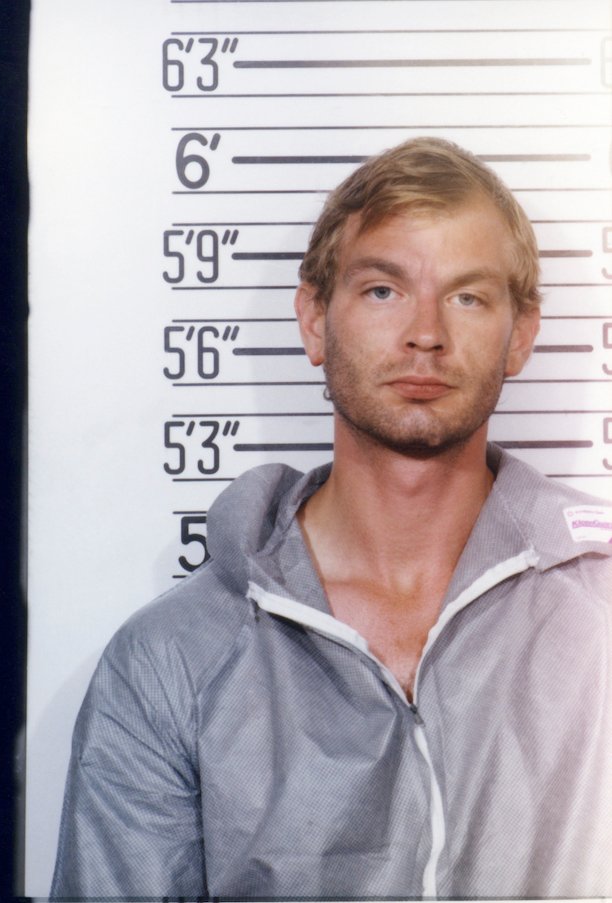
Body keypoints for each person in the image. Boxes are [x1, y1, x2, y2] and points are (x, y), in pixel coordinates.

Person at [51, 137, 612, 899]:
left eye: (468, 297)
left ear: (521, 335)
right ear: (315, 320)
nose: (426, 333)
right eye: (383, 290)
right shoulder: (170, 660)